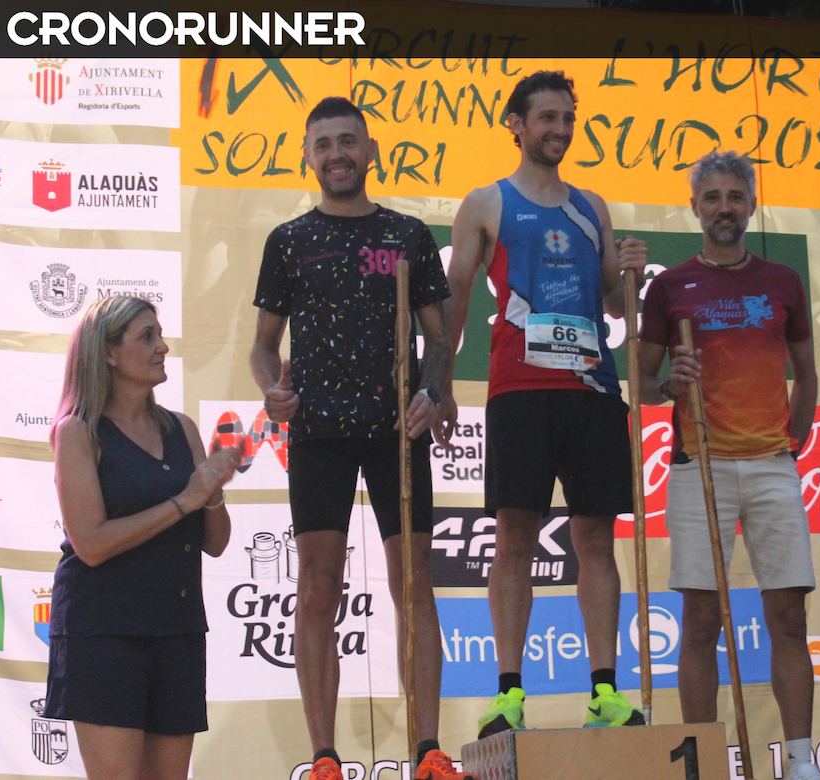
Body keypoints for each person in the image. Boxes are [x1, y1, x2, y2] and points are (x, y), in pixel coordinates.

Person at [250, 97, 472, 780]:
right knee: (318, 588)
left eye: (348, 141)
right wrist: (271, 390)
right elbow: (262, 346)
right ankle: (324, 757)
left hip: (396, 430)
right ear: (308, 157)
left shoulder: (407, 234)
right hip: (318, 432)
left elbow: (439, 338)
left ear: (370, 151)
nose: (337, 154)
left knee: (415, 584)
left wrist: (432, 392)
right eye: (324, 144)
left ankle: (428, 750)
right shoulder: (288, 240)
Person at [443, 70, 648, 737]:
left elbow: (613, 303)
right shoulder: (486, 203)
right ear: (516, 124)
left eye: (567, 118)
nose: (559, 129)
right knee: (513, 540)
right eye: (547, 118)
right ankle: (509, 694)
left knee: (596, 540)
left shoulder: (592, 207)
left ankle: (605, 693)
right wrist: (437, 383)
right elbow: (455, 299)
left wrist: (631, 275)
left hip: (592, 390)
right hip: (519, 391)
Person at [636, 149, 820, 779]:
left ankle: (800, 761)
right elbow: (642, 382)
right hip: (700, 466)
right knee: (700, 620)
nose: (724, 208)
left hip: (771, 464)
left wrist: (790, 444)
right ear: (695, 207)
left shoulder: (782, 280)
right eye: (712, 197)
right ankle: (702, 762)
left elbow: (807, 372)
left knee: (788, 615)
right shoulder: (669, 287)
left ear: (751, 205)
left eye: (734, 197)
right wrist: (671, 383)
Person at [45, 295, 242, 780]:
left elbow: (216, 542)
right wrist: (185, 500)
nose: (163, 347)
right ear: (108, 352)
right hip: (104, 630)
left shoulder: (182, 428)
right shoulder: (78, 430)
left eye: (161, 335)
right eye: (146, 337)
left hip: (177, 628)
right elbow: (91, 544)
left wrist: (213, 491)